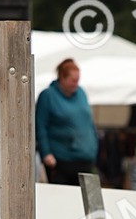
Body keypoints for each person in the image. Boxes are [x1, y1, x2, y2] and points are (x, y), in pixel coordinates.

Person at [35, 58, 99, 186]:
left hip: (85, 158)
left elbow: (88, 121)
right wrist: (46, 152)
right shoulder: (48, 96)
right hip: (62, 161)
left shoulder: (80, 92)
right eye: (73, 80)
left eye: (77, 80)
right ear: (62, 78)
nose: (76, 84)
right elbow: (40, 126)